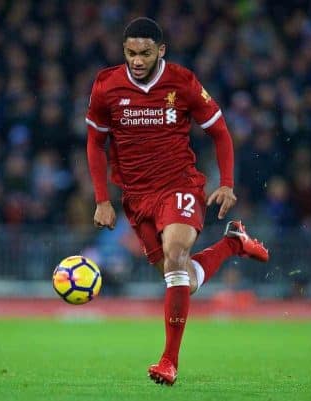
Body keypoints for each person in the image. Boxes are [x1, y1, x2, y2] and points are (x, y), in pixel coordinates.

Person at [86, 17, 269, 385]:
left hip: (179, 185)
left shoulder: (182, 82)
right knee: (180, 278)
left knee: (175, 255)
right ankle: (233, 243)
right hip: (136, 198)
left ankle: (169, 361)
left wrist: (228, 183)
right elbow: (95, 142)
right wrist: (102, 199)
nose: (137, 61)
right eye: (131, 53)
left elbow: (219, 131)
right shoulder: (106, 84)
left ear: (161, 51)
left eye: (145, 53)